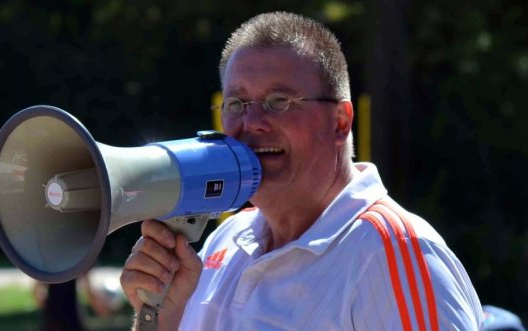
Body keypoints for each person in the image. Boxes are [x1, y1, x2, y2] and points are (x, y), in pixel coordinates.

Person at [120, 11, 484, 330]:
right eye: (236, 103)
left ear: (340, 122)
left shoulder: (394, 250)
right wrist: (157, 319)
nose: (253, 121)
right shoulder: (226, 239)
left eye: (279, 101)